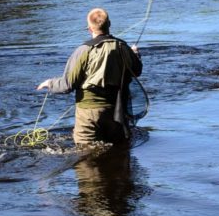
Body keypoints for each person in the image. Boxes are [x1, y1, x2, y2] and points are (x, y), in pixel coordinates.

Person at [37, 8, 143, 146]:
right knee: (117, 151)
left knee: (85, 154)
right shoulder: (124, 48)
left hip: (88, 113)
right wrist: (135, 54)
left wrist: (49, 84)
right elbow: (137, 71)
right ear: (109, 24)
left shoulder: (83, 51)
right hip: (116, 111)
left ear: (89, 29)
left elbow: (68, 84)